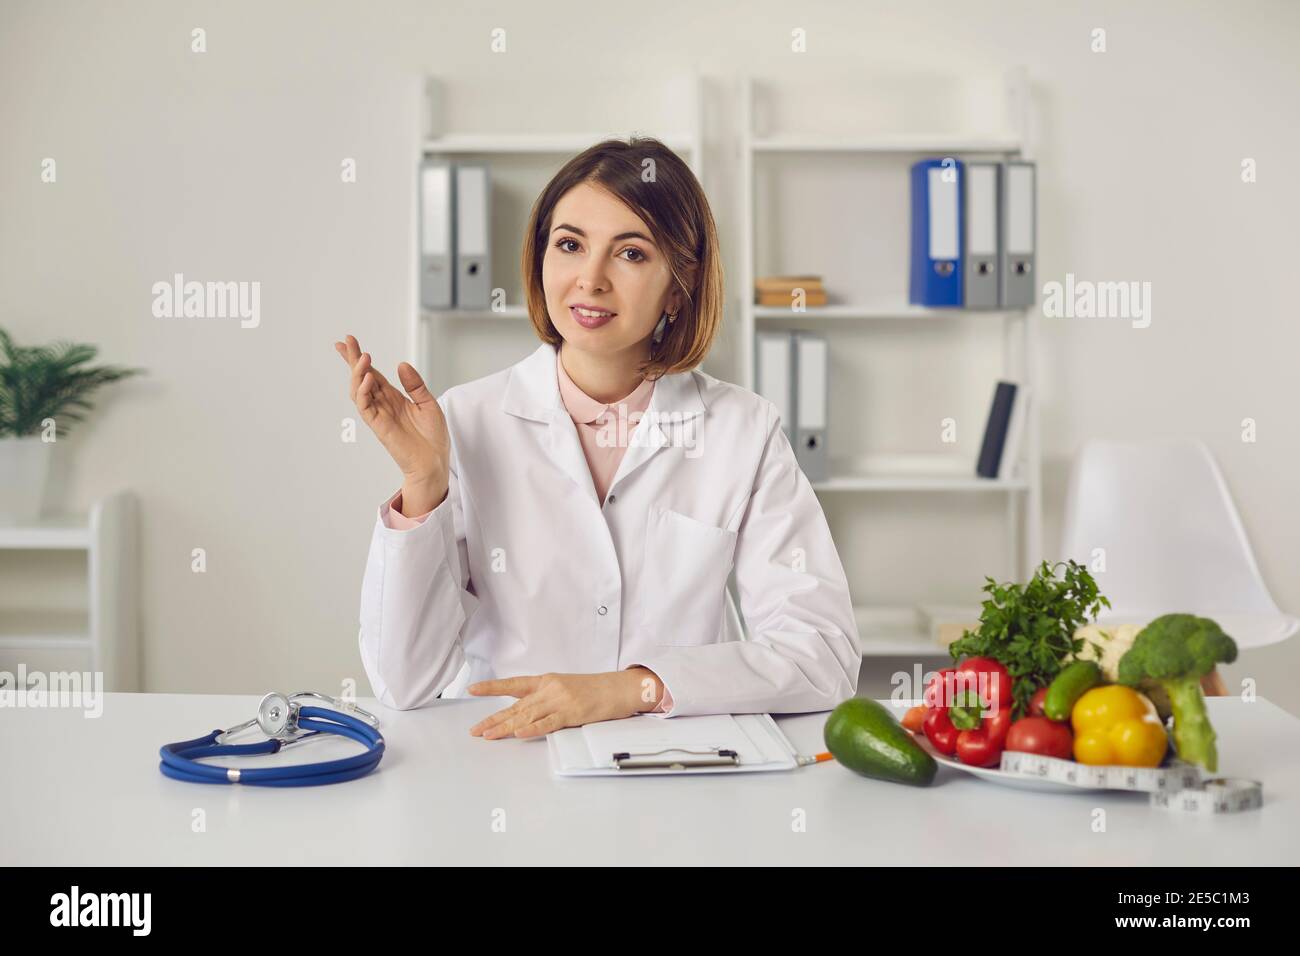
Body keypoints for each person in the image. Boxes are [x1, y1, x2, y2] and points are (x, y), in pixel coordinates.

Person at [335, 137, 860, 740]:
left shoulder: (743, 430)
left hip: (676, 767)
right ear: (540, 258)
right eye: (569, 245)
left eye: (631, 254)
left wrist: (634, 687)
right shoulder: (467, 421)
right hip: (503, 768)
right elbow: (400, 682)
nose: (590, 279)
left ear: (679, 280)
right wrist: (423, 486)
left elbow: (823, 653)